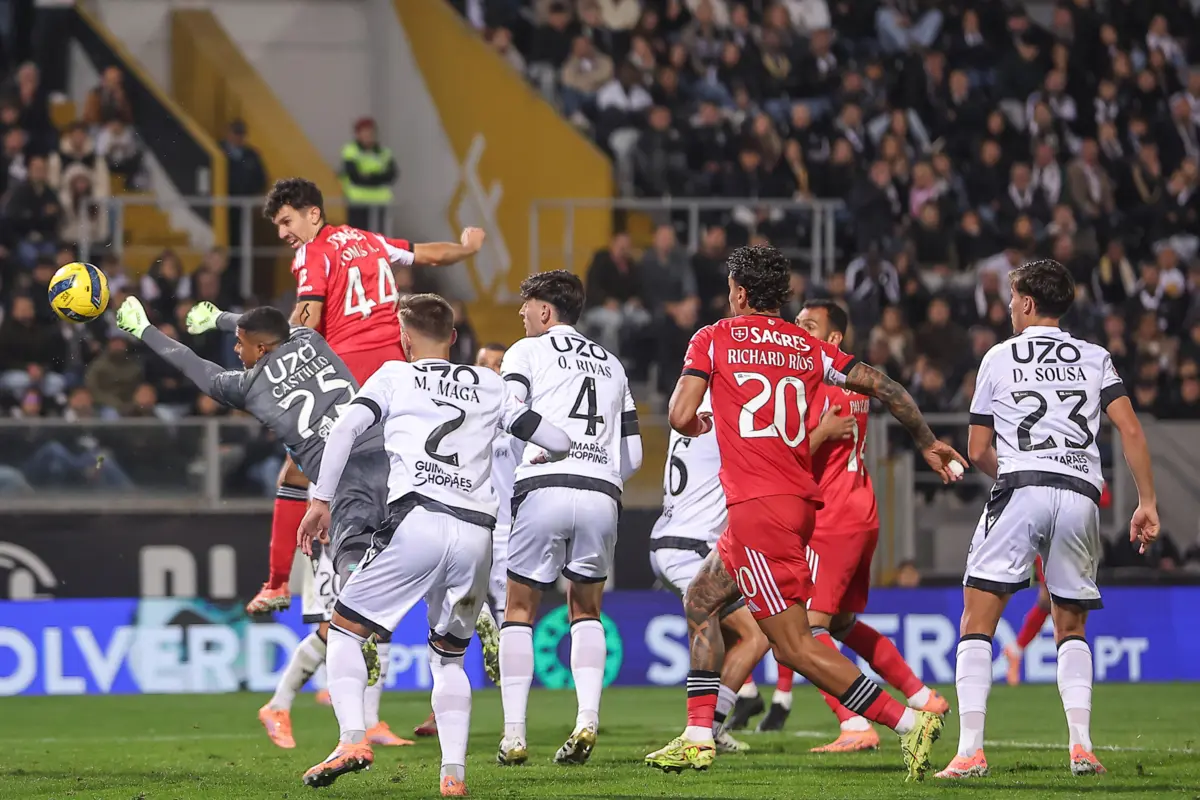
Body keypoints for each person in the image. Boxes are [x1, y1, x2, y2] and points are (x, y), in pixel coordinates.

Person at [645, 244, 965, 781]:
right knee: (701, 600)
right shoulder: (808, 347)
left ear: (739, 293)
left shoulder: (714, 337)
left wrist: (698, 423)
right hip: (793, 503)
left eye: (731, 288)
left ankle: (908, 723)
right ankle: (698, 736)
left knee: (794, 646)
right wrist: (927, 441)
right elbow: (885, 387)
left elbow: (680, 415)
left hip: (759, 510)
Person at [295, 294, 572, 797]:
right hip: (477, 537)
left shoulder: (394, 376)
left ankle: (352, 739)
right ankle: (453, 775)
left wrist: (321, 501)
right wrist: (543, 457)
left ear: (404, 338)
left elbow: (345, 430)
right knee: (448, 658)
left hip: (418, 520)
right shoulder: (489, 383)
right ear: (453, 337)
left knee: (345, 631)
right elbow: (557, 440)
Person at [112, 299, 409, 751]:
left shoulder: (249, 386)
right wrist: (220, 319)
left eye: (241, 344)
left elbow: (192, 365)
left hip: (337, 488)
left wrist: (146, 331)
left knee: (356, 590)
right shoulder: (310, 338)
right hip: (384, 461)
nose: (236, 349)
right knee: (383, 580)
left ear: (263, 348)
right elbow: (277, 327)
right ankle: (340, 709)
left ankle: (348, 716)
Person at [937, 259, 1159, 779]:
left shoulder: (998, 356)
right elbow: (1130, 429)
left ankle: (970, 752)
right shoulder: (1095, 356)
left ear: (1028, 302)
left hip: (1021, 486)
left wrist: (1017, 477)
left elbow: (978, 448)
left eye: (1013, 298)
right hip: (1081, 494)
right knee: (1071, 625)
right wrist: (1146, 502)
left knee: (977, 620)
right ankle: (1081, 747)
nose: (1009, 307)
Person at [247, 177, 485, 616]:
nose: (282, 233)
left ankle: (279, 583)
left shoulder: (312, 252)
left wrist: (273, 354)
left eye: (286, 221)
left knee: (295, 476)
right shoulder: (370, 241)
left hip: (348, 375)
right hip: (399, 371)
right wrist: (467, 248)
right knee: (413, 472)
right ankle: (462, 596)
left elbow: (307, 316)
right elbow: (430, 254)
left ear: (313, 214)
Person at [758, 300, 947, 748]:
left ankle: (855, 724)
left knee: (805, 632)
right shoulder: (854, 385)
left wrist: (814, 433)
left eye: (809, 326)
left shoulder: (814, 388)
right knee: (842, 624)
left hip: (830, 519)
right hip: (861, 513)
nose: (798, 331)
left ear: (834, 338)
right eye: (796, 323)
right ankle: (922, 696)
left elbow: (791, 455)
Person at [496, 270, 643, 766]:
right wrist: (600, 473)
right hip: (602, 492)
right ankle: (587, 720)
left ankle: (514, 735)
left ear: (545, 310)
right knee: (586, 610)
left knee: (519, 610)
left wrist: (544, 449)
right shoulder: (613, 364)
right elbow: (634, 455)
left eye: (527, 304)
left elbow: (511, 412)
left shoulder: (526, 351)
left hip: (545, 484)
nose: (522, 312)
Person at [649, 389, 769, 754]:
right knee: (751, 633)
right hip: (694, 546)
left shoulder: (688, 412)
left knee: (745, 634)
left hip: (671, 539)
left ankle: (717, 718)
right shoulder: (725, 415)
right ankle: (704, 728)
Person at [413, 342, 516, 739]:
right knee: (442, 617)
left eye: (500, 365)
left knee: (508, 624)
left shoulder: (517, 417)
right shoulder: (465, 414)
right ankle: (444, 712)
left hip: (504, 532)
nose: (493, 371)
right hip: (471, 524)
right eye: (486, 365)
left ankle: (512, 724)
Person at [1003, 555, 1050, 686]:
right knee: (1049, 600)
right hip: (1049, 547)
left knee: (1051, 602)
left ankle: (1016, 649)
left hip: (1065, 548)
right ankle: (1016, 649)